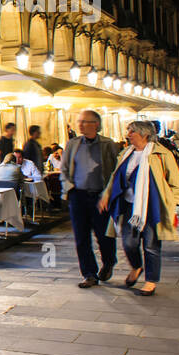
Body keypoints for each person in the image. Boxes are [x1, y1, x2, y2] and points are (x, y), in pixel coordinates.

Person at [101, 120, 179, 296]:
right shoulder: (126, 154)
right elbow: (115, 178)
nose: (128, 134)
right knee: (129, 243)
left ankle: (150, 281)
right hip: (129, 206)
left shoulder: (161, 154)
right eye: (129, 131)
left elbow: (175, 182)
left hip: (152, 206)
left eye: (132, 131)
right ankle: (137, 266)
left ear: (144, 134)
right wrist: (106, 195)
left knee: (151, 245)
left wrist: (173, 204)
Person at [61, 109, 120, 288]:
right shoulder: (72, 144)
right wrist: (69, 189)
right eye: (79, 121)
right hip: (78, 195)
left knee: (104, 235)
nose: (80, 124)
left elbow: (116, 170)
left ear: (96, 124)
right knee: (81, 237)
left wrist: (109, 193)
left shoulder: (108, 144)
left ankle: (109, 262)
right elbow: (64, 169)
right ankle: (89, 274)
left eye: (85, 121)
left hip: (100, 197)